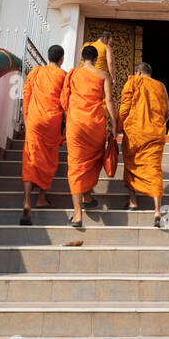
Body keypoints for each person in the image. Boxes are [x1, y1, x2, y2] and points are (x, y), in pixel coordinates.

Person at [61, 44, 118, 229]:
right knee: (93, 161)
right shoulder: (103, 75)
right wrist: (114, 125)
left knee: (76, 165)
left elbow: (64, 99)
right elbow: (109, 100)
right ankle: (86, 196)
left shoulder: (73, 74)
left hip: (76, 124)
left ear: (81, 57)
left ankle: (78, 213)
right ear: (96, 59)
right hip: (95, 124)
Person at [19, 44, 65, 226]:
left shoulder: (36, 72)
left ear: (48, 57)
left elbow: (26, 94)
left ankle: (27, 201)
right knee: (49, 159)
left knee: (31, 159)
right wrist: (65, 129)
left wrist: (27, 118)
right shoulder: (63, 76)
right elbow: (65, 102)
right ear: (61, 59)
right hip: (52, 122)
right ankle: (42, 198)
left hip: (35, 121)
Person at [119, 62, 169, 227]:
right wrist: (157, 124)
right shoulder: (160, 86)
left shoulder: (133, 81)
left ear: (138, 72)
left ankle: (133, 202)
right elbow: (167, 112)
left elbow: (124, 108)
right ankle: (157, 210)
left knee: (131, 165)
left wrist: (118, 128)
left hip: (135, 133)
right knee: (154, 169)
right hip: (155, 134)